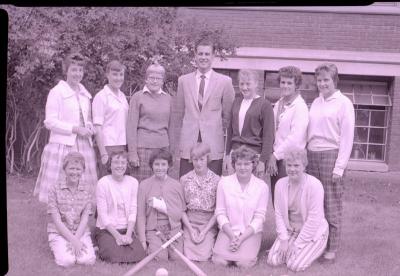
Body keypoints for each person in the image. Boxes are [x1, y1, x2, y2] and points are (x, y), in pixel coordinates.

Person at [307, 63, 355, 263]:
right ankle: (316, 244)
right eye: (319, 80)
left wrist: (339, 166)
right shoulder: (316, 102)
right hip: (312, 155)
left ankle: (331, 249)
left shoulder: (344, 103)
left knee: (331, 203)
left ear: (334, 80)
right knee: (314, 203)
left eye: (326, 79)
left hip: (331, 156)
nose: (322, 83)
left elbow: (347, 137)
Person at [34, 52, 98, 203]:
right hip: (63, 145)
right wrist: (75, 129)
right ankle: (58, 221)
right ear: (66, 70)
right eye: (74, 70)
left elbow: (86, 119)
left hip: (83, 145)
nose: (77, 74)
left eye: (80, 70)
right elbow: (49, 122)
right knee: (61, 187)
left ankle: (78, 221)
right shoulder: (57, 92)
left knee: (82, 187)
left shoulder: (84, 94)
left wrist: (89, 127)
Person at [174, 38, 235, 177]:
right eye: (200, 54)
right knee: (186, 187)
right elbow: (179, 114)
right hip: (189, 145)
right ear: (195, 55)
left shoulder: (225, 82)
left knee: (212, 189)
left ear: (213, 56)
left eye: (207, 54)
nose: (203, 57)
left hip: (213, 145)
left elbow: (228, 117)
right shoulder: (183, 81)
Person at [267, 149, 328, 272]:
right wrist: (284, 240)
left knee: (294, 265)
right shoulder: (280, 184)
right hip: (291, 230)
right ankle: (294, 247)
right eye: (289, 165)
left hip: (313, 231)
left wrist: (297, 245)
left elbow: (313, 220)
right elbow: (278, 214)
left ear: (304, 166)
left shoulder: (315, 186)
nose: (292, 169)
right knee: (273, 260)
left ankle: (317, 247)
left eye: (296, 165)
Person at [212, 145, 269, 268]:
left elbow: (259, 218)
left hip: (250, 233)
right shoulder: (224, 183)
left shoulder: (262, 187)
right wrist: (232, 236)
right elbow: (220, 213)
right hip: (228, 231)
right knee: (219, 261)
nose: (242, 168)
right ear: (234, 165)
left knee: (243, 263)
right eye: (239, 164)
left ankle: (248, 249)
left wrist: (241, 238)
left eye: (247, 164)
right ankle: (230, 246)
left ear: (253, 165)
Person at [267, 66, 309, 205]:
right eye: (283, 82)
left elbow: (295, 139)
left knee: (290, 203)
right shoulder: (279, 103)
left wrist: (275, 155)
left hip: (290, 161)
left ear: (296, 85)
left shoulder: (300, 107)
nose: (285, 86)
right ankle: (281, 228)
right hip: (277, 160)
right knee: (278, 202)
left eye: (289, 83)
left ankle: (293, 228)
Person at [94, 151, 146, 263]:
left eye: (123, 162)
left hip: (126, 228)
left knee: (139, 254)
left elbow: (133, 209)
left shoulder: (133, 182)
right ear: (110, 165)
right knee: (114, 256)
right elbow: (102, 215)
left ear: (127, 165)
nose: (120, 166)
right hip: (107, 229)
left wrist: (128, 234)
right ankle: (100, 243)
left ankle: (117, 245)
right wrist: (117, 236)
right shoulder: (103, 183)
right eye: (116, 162)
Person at [47, 151, 96, 267]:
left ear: (83, 170)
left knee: (87, 260)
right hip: (59, 232)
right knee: (67, 261)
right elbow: (57, 220)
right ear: (65, 169)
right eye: (71, 168)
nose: (75, 172)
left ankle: (83, 246)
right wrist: (74, 241)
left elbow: (85, 218)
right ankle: (58, 245)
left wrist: (77, 238)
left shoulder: (87, 189)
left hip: (80, 231)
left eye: (78, 169)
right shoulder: (54, 189)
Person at [127, 63, 172, 182]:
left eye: (158, 78)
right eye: (152, 78)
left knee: (160, 186)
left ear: (163, 81)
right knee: (142, 185)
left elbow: (171, 127)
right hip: (142, 149)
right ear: (146, 79)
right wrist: (132, 153)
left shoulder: (168, 99)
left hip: (163, 148)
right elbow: (131, 127)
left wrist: (170, 151)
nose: (155, 81)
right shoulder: (137, 97)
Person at [225, 69, 274, 178]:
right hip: (235, 155)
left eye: (248, 84)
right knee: (234, 191)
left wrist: (262, 161)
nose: (244, 87)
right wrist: (227, 155)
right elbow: (230, 131)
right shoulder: (236, 102)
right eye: (241, 84)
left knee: (252, 192)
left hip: (254, 156)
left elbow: (269, 136)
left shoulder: (265, 105)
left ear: (256, 84)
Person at [136, 149, 185, 260]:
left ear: (169, 166)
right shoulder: (144, 185)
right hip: (154, 230)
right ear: (152, 165)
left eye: (163, 164)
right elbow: (141, 215)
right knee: (161, 258)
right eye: (156, 164)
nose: (160, 168)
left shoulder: (176, 185)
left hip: (174, 230)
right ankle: (152, 246)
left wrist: (163, 207)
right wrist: (143, 241)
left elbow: (180, 212)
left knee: (176, 257)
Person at [180, 143, 220, 261]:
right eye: (195, 159)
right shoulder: (184, 179)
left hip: (209, 222)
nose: (198, 163)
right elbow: (182, 210)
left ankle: (211, 240)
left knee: (204, 256)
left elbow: (218, 211)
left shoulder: (217, 180)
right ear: (191, 160)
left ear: (207, 159)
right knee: (188, 255)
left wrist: (205, 230)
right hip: (190, 222)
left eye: (202, 159)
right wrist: (190, 229)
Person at [92, 60, 129, 178]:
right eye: (114, 74)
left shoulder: (122, 96)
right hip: (108, 146)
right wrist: (103, 153)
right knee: (107, 182)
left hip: (122, 145)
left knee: (120, 182)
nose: (118, 78)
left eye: (121, 74)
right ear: (107, 75)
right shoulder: (101, 97)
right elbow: (97, 127)